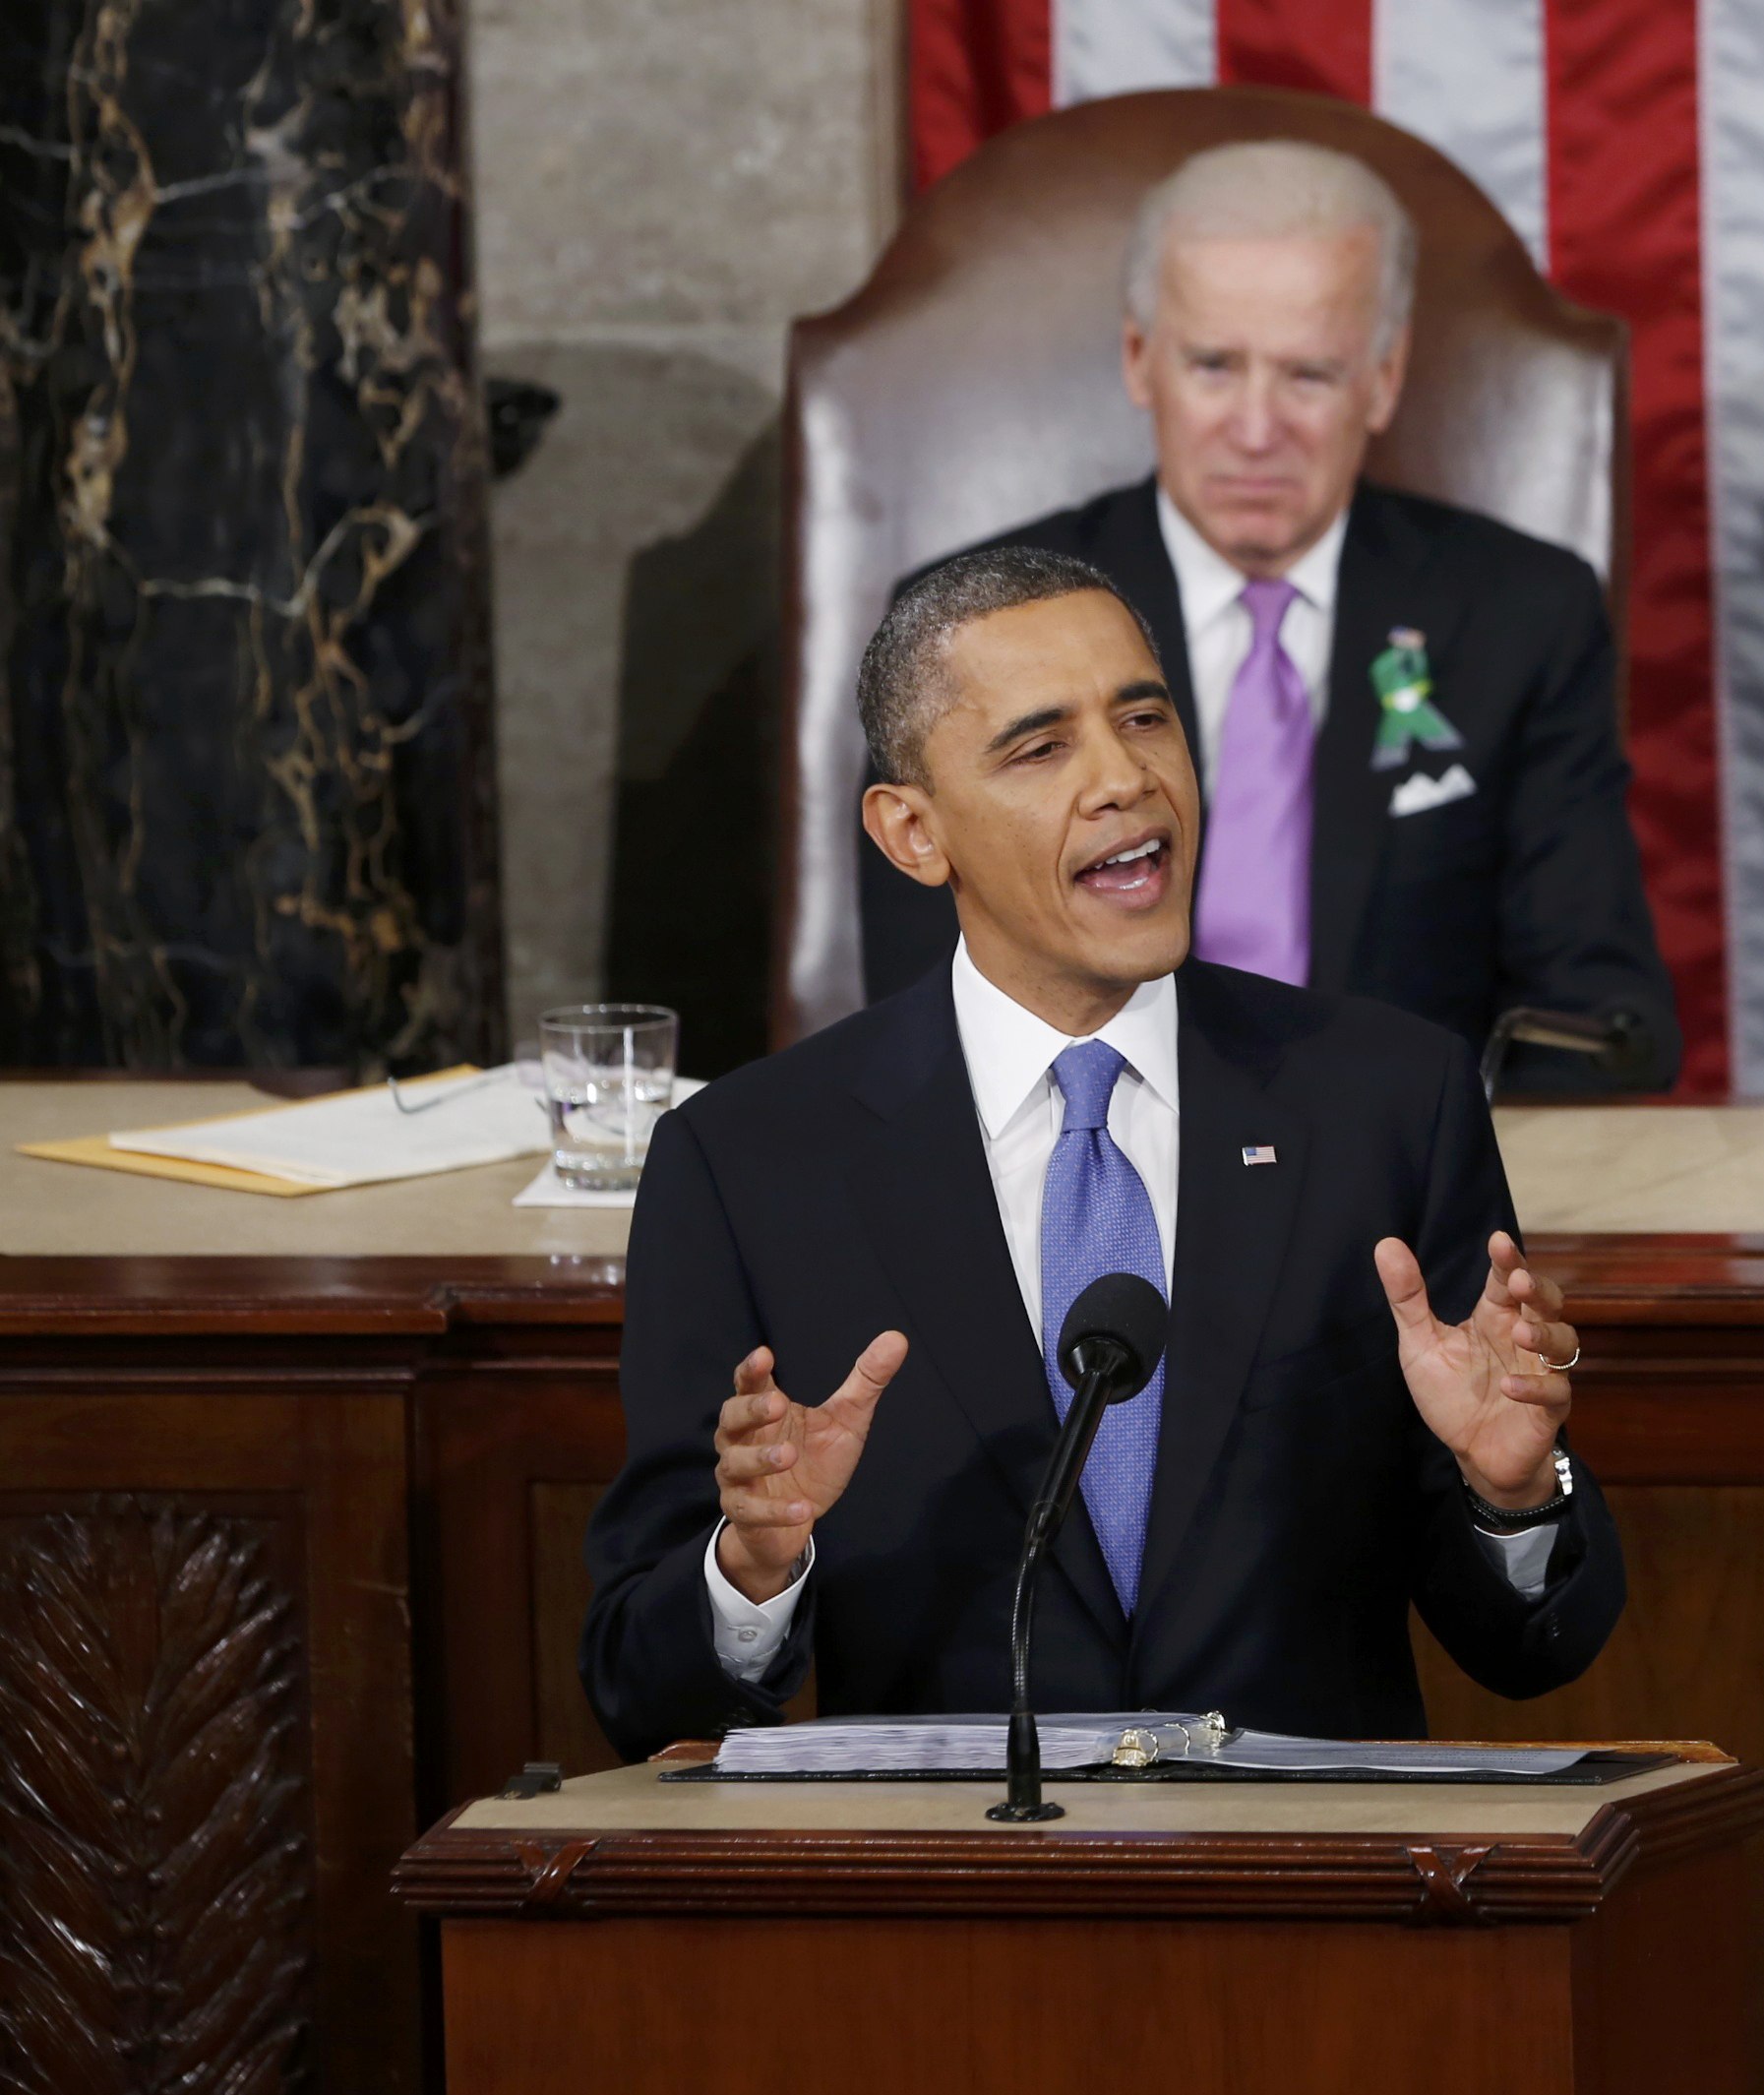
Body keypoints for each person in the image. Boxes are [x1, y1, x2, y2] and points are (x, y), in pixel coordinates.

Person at [582, 545, 1624, 1756]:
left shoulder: (1383, 1099)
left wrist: (1506, 1491)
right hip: (954, 1905)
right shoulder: (749, 1161)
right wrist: (751, 1566)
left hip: (1312, 1903)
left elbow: (1532, 1651)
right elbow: (639, 1690)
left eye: (1145, 717)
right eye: (1041, 747)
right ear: (913, 831)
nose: (1125, 777)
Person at [859, 140, 1679, 1096]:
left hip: (1403, 1194)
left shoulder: (1520, 611)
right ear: (1138, 360)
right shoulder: (978, 633)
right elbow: (931, 998)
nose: (1255, 429)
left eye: (1308, 375)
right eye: (1213, 365)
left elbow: (1591, 1017)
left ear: (1382, 377)